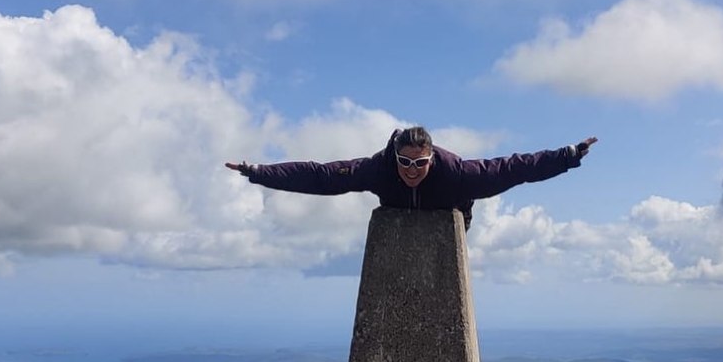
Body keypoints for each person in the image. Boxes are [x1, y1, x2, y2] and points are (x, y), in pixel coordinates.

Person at [226, 127, 597, 229]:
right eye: (404, 162)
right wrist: (257, 173)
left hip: (446, 224)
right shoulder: (378, 170)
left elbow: (516, 167)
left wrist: (566, 156)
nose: (411, 170)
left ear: (432, 158)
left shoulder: (459, 175)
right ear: (395, 157)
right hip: (399, 226)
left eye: (420, 164)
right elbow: (321, 176)